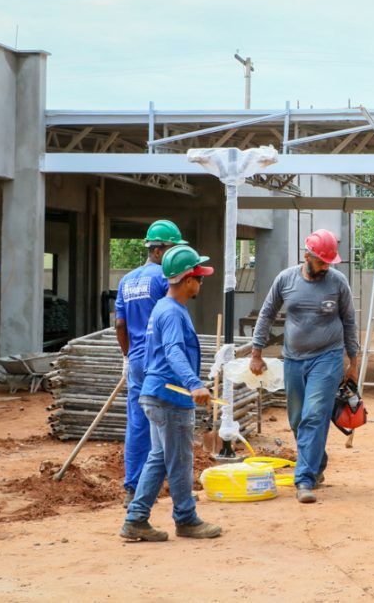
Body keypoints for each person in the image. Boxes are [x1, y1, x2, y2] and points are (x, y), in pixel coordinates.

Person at [249, 228, 359, 504]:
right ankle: (317, 461)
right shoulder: (285, 279)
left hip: (328, 357)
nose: (325, 267)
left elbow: (349, 320)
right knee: (298, 419)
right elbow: (266, 314)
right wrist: (256, 352)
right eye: (321, 262)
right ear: (306, 256)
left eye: (328, 263)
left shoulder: (337, 282)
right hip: (294, 359)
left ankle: (304, 479)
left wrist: (353, 360)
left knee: (314, 414)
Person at [120, 245, 220, 542]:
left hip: (154, 393)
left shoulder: (162, 308)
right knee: (178, 460)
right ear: (188, 280)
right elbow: (174, 352)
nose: (201, 283)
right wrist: (194, 384)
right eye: (199, 278)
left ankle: (136, 518)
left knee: (159, 458)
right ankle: (186, 519)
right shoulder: (173, 313)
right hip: (169, 396)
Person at [114, 219, 187, 507]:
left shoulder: (126, 280)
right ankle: (173, 490)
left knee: (138, 424)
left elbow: (120, 323)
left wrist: (126, 355)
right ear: (158, 251)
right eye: (171, 251)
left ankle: (133, 489)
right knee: (171, 422)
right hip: (160, 359)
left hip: (135, 360)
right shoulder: (163, 278)